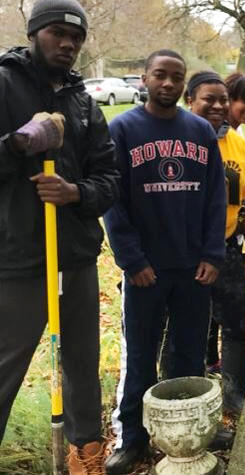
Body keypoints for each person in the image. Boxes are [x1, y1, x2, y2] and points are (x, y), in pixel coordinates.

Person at [0, 1, 119, 472]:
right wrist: (21, 143)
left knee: (82, 363)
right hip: (19, 257)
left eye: (76, 37)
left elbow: (109, 179)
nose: (68, 44)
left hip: (73, 257)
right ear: (33, 33)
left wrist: (75, 192)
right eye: (56, 33)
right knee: (7, 364)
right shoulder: (3, 85)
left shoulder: (84, 103)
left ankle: (85, 453)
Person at [103, 49, 226, 474]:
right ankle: (132, 438)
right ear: (144, 77)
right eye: (161, 75)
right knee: (140, 355)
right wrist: (131, 259)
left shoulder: (200, 131)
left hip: (194, 267)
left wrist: (213, 254)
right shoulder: (122, 129)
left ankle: (188, 432)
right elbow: (112, 201)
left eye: (177, 76)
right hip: (145, 271)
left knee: (189, 354)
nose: (169, 83)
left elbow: (216, 198)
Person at [184, 71, 245, 416]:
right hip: (181, 252)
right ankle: (188, 395)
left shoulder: (237, 143)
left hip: (226, 247)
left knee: (239, 317)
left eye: (222, 100)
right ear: (190, 101)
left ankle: (233, 393)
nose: (218, 106)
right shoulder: (178, 137)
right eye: (208, 100)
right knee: (186, 325)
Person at [204, 71, 245, 373]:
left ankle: (232, 386)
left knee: (238, 309)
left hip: (228, 242)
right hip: (188, 245)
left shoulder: (238, 141)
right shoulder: (195, 136)